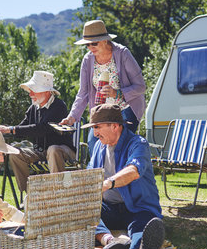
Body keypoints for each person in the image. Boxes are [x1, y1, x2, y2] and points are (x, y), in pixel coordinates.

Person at [84, 103, 165, 249]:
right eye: (93, 128)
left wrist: (108, 182)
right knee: (83, 212)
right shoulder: (99, 146)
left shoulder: (138, 143)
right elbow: (90, 175)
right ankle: (111, 242)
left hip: (138, 206)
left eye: (97, 127)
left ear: (115, 126)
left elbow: (134, 170)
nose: (94, 133)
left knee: (141, 227)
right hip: (109, 208)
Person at [59, 19, 146, 154]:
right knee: (94, 142)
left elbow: (141, 86)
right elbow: (83, 94)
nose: (90, 48)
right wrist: (72, 117)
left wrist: (117, 93)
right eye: (87, 44)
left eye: (94, 43)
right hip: (102, 111)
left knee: (119, 144)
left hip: (126, 108)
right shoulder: (88, 60)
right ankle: (102, 174)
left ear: (105, 40)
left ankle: (119, 174)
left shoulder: (123, 53)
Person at [0, 70, 75, 194]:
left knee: (53, 150)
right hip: (40, 152)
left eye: (34, 90)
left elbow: (42, 128)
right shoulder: (33, 108)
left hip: (63, 151)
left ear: (48, 92)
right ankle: (30, 195)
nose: (30, 94)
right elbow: (21, 129)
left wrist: (11, 129)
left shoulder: (59, 106)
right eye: (30, 90)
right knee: (14, 153)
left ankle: (58, 194)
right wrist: (2, 129)